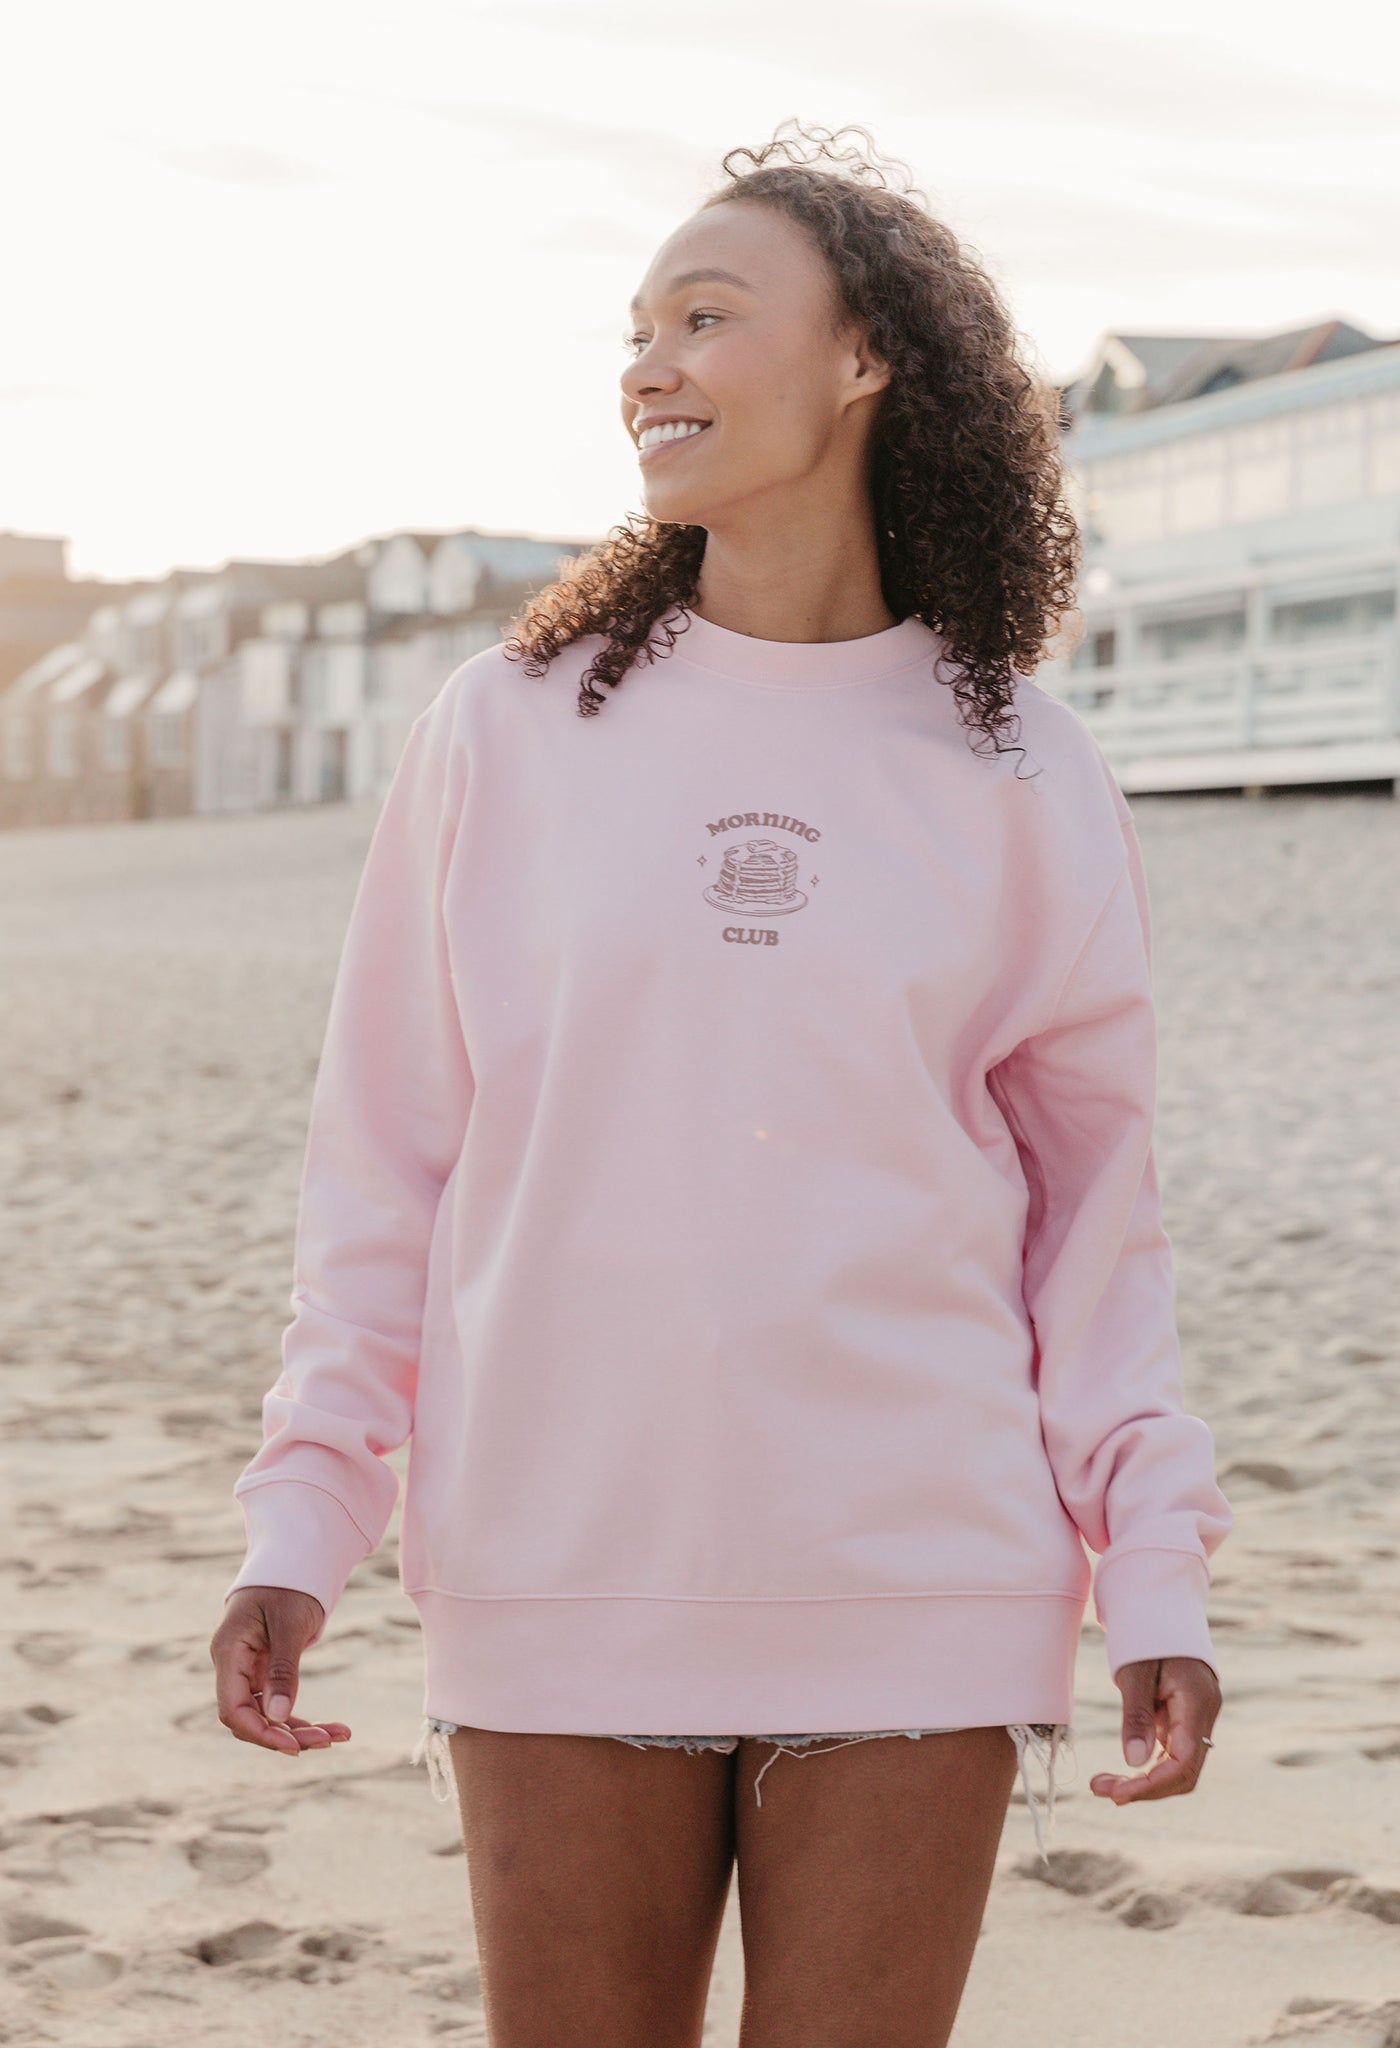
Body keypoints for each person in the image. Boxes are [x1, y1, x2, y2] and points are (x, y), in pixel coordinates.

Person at [211, 119, 1232, 2047]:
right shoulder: (506, 727)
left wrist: (1153, 1564)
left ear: (867, 362)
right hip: (560, 1548)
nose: (647, 367)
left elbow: (1099, 1226)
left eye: (705, 317)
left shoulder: (1021, 769)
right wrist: (306, 1513)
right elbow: (387, 1167)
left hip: (916, 1563)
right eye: (636, 328)